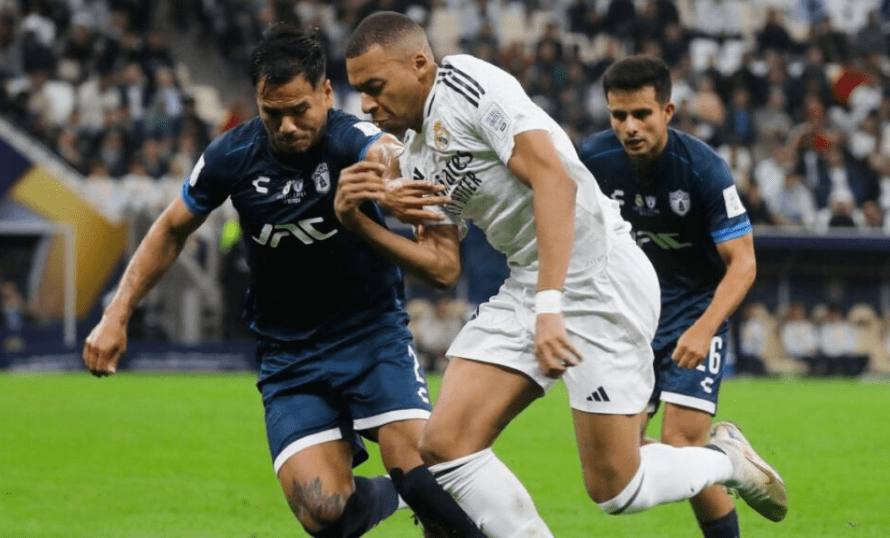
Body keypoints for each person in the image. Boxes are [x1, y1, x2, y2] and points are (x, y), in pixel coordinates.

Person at [337, 12, 788, 537]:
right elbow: (442, 266)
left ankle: (724, 459)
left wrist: (551, 306)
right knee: (444, 444)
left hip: (600, 278)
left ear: (419, 64)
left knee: (617, 490)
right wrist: (359, 222)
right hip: (531, 281)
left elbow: (555, 180)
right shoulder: (415, 157)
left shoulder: (468, 84)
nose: (366, 104)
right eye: (359, 91)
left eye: (375, 87)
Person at [82, 24, 485, 538]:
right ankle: (392, 491)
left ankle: (428, 498)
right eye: (273, 114)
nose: (288, 126)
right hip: (290, 354)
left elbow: (384, 151)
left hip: (370, 334)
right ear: (258, 101)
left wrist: (389, 183)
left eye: (299, 110)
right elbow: (170, 229)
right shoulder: (232, 156)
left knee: (426, 477)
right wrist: (115, 315)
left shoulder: (348, 137)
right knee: (324, 512)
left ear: (325, 92)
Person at [578, 55, 760, 538]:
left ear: (668, 111)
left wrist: (704, 328)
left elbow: (743, 263)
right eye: (619, 116)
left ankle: (716, 465)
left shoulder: (703, 169)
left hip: (693, 313)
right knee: (621, 465)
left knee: (681, 443)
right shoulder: (591, 160)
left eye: (642, 114)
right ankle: (726, 458)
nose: (630, 127)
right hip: (628, 318)